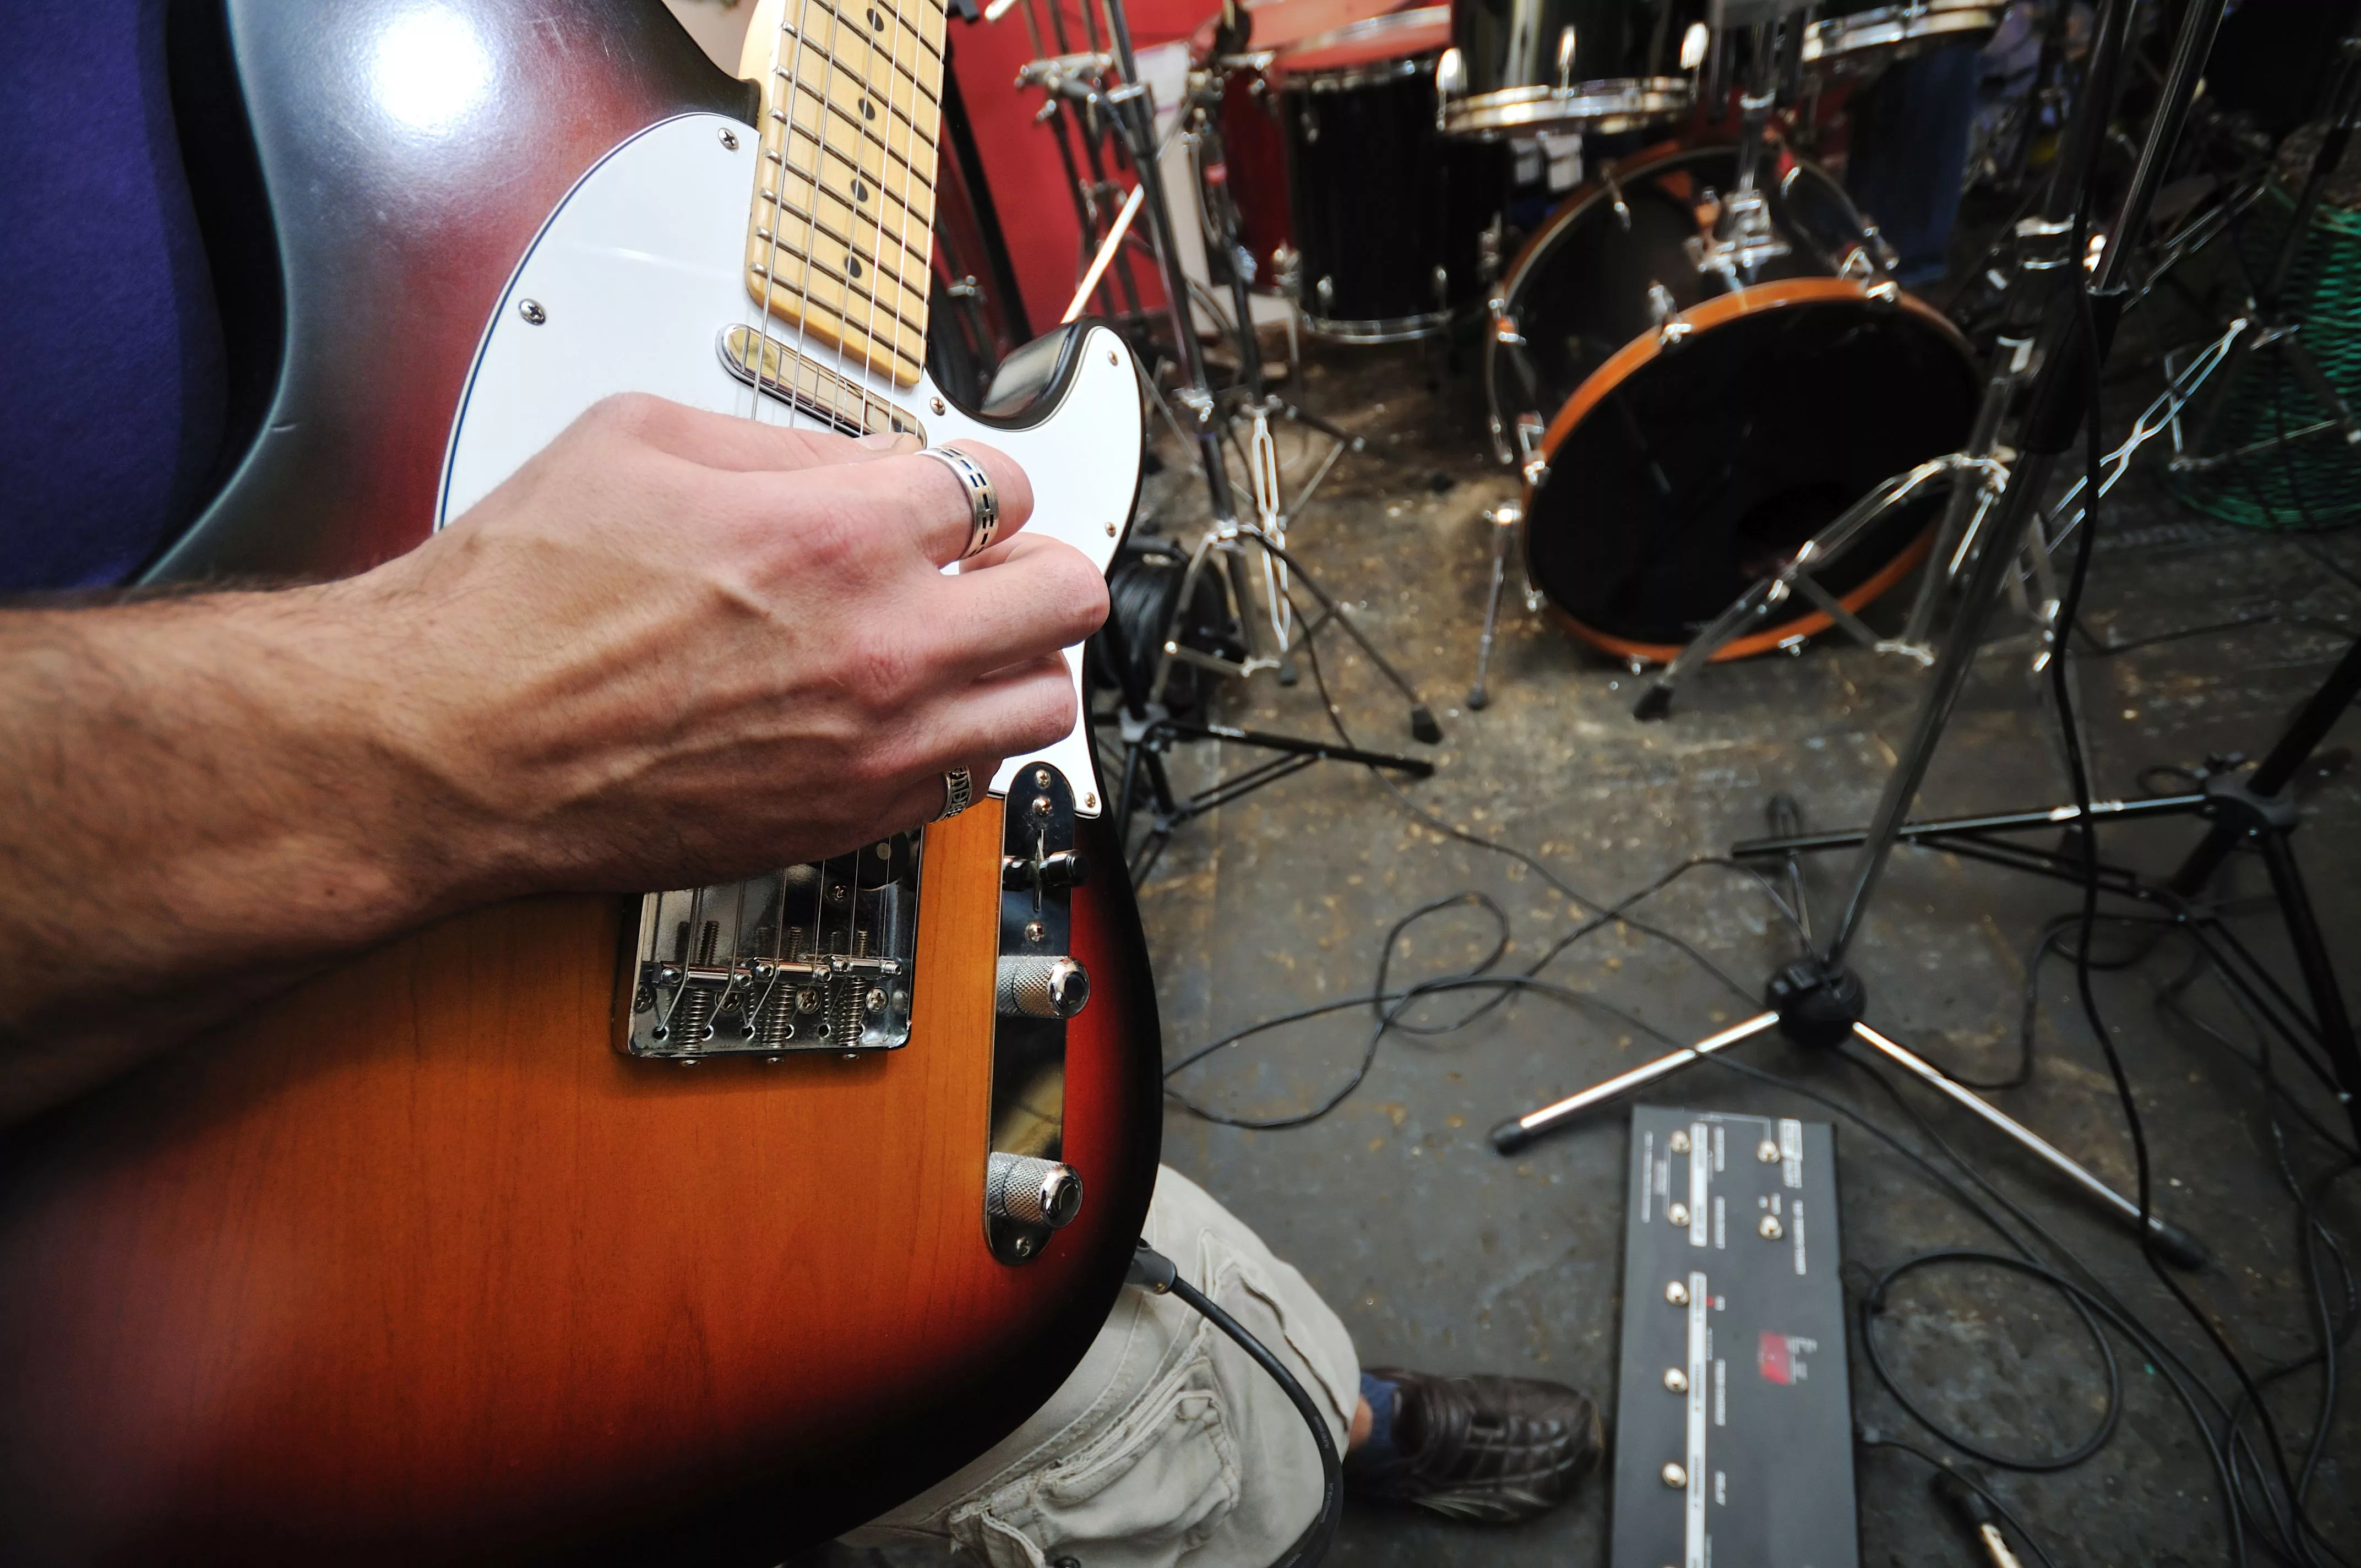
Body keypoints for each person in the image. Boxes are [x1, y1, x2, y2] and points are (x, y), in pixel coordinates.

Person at [0, 4, 1603, 1563]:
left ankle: (1321, 1400)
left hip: (900, 969)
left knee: (1127, 1259)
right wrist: (477, 724)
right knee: (1119, 1458)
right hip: (297, 1234)